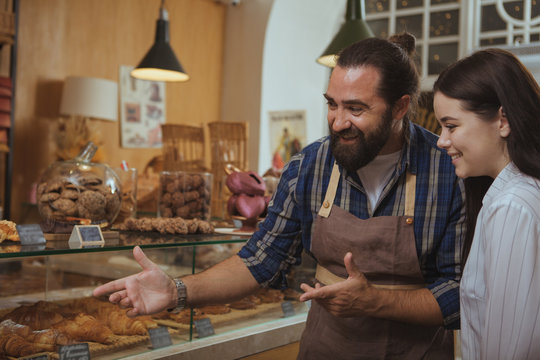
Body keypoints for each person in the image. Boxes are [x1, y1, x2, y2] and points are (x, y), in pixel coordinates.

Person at [93, 33, 466, 359]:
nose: (338, 122)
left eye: (356, 109)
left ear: (400, 107)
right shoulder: (310, 166)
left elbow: (461, 295)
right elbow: (261, 261)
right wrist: (176, 291)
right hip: (327, 350)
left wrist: (377, 301)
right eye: (332, 105)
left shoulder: (450, 170)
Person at [433, 48, 540, 359]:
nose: (441, 140)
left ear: (502, 120)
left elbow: (509, 350)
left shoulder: (511, 208)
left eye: (451, 126)